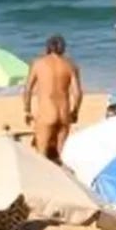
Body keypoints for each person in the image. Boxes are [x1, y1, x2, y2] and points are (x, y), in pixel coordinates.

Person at [22, 35, 83, 164]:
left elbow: (27, 90)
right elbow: (77, 93)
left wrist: (27, 110)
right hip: (64, 114)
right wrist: (75, 111)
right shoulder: (70, 65)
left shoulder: (38, 63)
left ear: (47, 48)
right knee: (62, 156)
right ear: (63, 49)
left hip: (46, 113)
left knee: (41, 157)